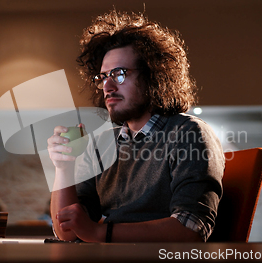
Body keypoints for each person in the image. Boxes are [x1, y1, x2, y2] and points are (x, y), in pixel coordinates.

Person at [47, 10, 224, 243]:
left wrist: (100, 233)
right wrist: (63, 169)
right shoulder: (102, 145)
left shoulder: (187, 133)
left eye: (119, 74)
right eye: (102, 77)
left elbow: (191, 228)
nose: (107, 86)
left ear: (153, 77)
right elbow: (68, 231)